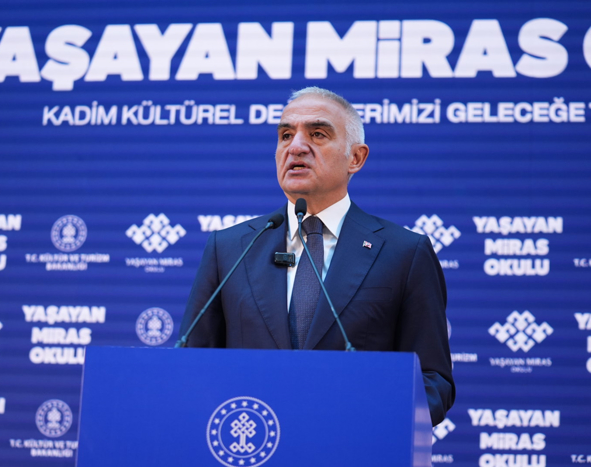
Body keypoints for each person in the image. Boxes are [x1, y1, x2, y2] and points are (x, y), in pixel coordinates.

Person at [179, 86, 454, 426]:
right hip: (252, 440)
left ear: (356, 158)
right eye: (285, 135)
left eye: (318, 134)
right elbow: (189, 367)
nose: (295, 147)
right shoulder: (229, 248)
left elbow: (433, 381)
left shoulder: (404, 253)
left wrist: (372, 419)